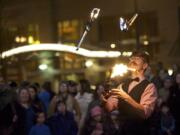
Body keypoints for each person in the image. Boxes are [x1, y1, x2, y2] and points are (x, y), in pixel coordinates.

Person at [105, 51, 158, 135]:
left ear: (145, 65)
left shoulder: (150, 87)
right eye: (131, 58)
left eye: (137, 58)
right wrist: (105, 99)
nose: (133, 60)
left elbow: (145, 113)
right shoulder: (122, 85)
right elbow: (110, 108)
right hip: (122, 130)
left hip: (139, 131)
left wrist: (126, 97)